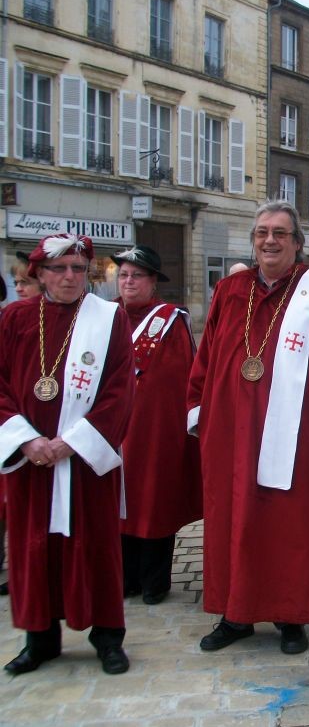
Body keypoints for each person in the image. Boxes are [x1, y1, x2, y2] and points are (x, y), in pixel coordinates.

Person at [188, 200, 309, 655]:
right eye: (262, 232)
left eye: (280, 233)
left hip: (297, 434)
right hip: (230, 433)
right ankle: (235, 613)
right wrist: (197, 413)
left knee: (291, 524)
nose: (269, 240)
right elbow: (205, 358)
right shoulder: (229, 290)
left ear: (297, 243)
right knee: (232, 521)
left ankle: (290, 615)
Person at [0, 234, 135, 676]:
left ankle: (107, 637)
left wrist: (71, 442)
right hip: (31, 462)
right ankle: (39, 640)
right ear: (39, 273)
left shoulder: (107, 318)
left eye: (79, 269)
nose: (71, 277)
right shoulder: (15, 318)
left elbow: (119, 390)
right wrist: (26, 439)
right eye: (60, 269)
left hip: (84, 462)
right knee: (32, 549)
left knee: (95, 548)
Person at [114, 246, 202, 606]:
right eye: (123, 275)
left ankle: (154, 580)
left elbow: (179, 381)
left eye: (137, 276)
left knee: (153, 502)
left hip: (154, 433)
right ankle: (124, 577)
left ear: (153, 282)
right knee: (116, 503)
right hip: (111, 432)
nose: (129, 281)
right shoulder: (106, 318)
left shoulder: (169, 322)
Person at [0, 252, 42, 597]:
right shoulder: (13, 318)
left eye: (23, 282)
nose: (19, 289)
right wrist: (22, 437)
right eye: (16, 283)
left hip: (61, 445)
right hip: (20, 436)